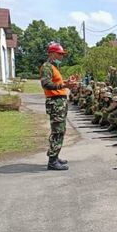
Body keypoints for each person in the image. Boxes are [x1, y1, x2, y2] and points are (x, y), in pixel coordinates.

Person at [40, 42, 76, 170]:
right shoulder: (47, 67)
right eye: (60, 54)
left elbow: (56, 83)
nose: (62, 56)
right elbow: (46, 84)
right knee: (57, 131)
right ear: (52, 53)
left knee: (60, 130)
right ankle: (52, 161)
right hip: (55, 102)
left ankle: (55, 156)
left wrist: (66, 82)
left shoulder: (54, 68)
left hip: (59, 102)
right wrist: (64, 86)